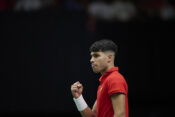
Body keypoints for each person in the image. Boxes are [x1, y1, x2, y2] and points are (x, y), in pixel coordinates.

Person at [71, 39, 129, 117]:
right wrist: (78, 98)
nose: (91, 60)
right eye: (91, 56)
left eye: (96, 56)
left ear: (109, 58)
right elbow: (93, 116)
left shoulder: (115, 79)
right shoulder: (105, 81)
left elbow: (121, 115)